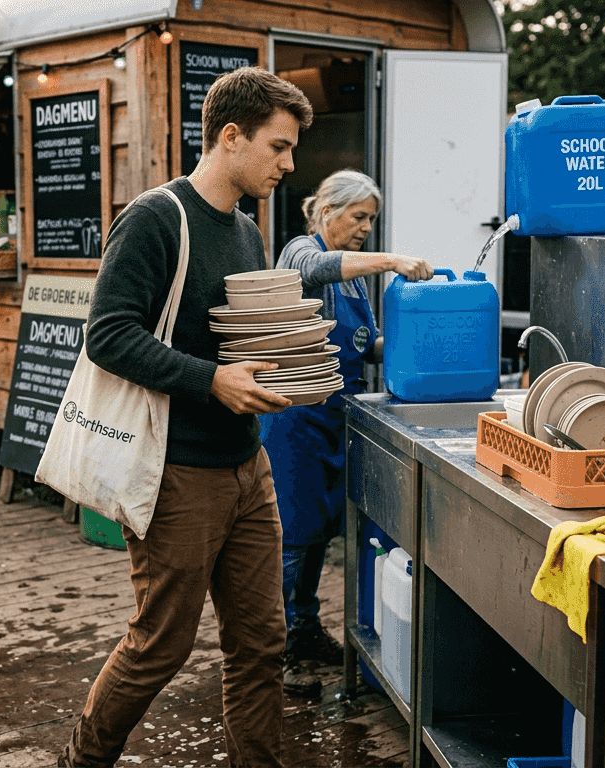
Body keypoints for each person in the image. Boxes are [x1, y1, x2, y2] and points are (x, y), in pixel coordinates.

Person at [58, 67, 312, 768]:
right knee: (160, 645)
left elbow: (241, 339)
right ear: (231, 137)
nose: (289, 165)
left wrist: (282, 369)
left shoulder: (250, 232)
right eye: (279, 147)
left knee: (262, 642)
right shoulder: (154, 217)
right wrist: (212, 382)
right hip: (176, 474)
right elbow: (108, 334)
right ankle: (83, 759)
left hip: (246, 468)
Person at [259, 170, 433, 698]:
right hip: (294, 418)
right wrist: (392, 261)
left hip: (337, 416)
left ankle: (306, 630)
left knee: (317, 535)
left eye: (371, 220)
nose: (365, 228)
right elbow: (317, 269)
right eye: (358, 217)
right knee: (291, 537)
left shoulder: (355, 279)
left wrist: (421, 344)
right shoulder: (298, 252)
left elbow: (364, 344)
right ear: (326, 211)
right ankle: (276, 653)